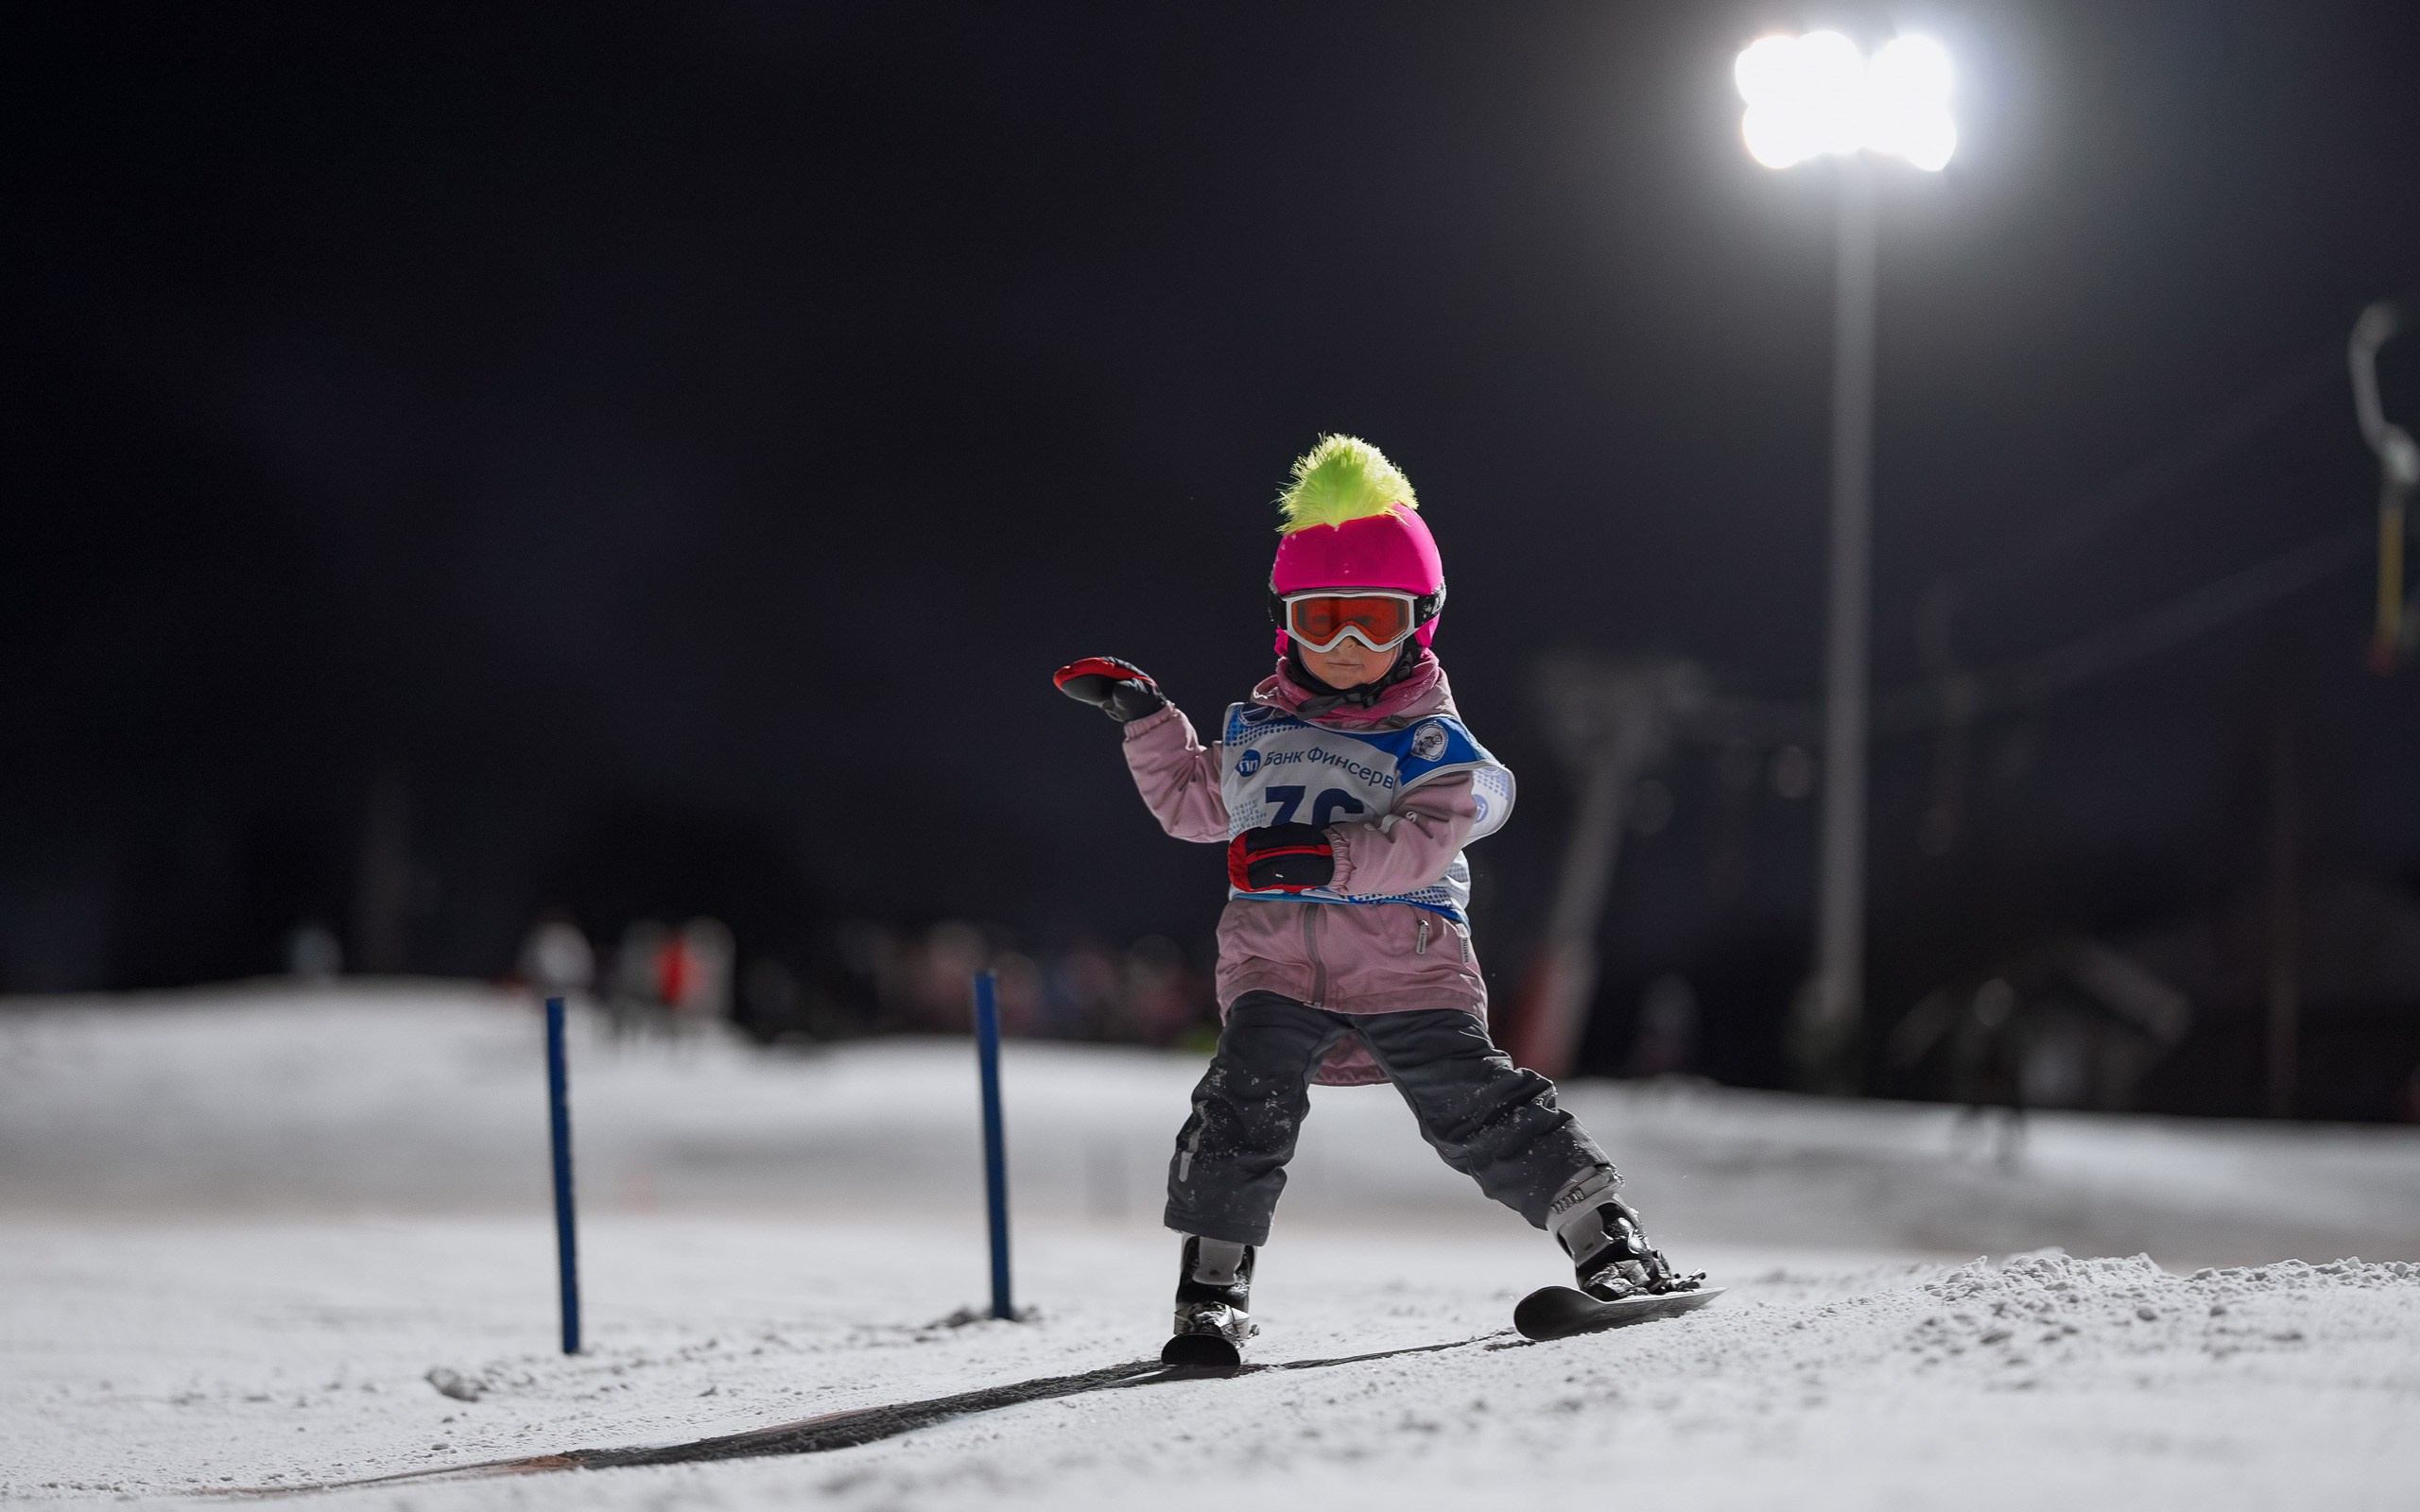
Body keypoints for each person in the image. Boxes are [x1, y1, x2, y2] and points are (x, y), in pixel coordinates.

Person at [1055, 435, 1700, 1359]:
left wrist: (1324, 859)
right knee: (1241, 1106)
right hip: (1276, 967)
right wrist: (1149, 720)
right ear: (1286, 627)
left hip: (1409, 968)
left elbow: (1427, 838)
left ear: (1418, 625)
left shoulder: (1429, 742)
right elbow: (1193, 807)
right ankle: (1212, 1290)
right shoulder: (1261, 735)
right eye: (1322, 622)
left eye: (1372, 622)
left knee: (1477, 1103)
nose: (1347, 647)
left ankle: (1611, 1244)